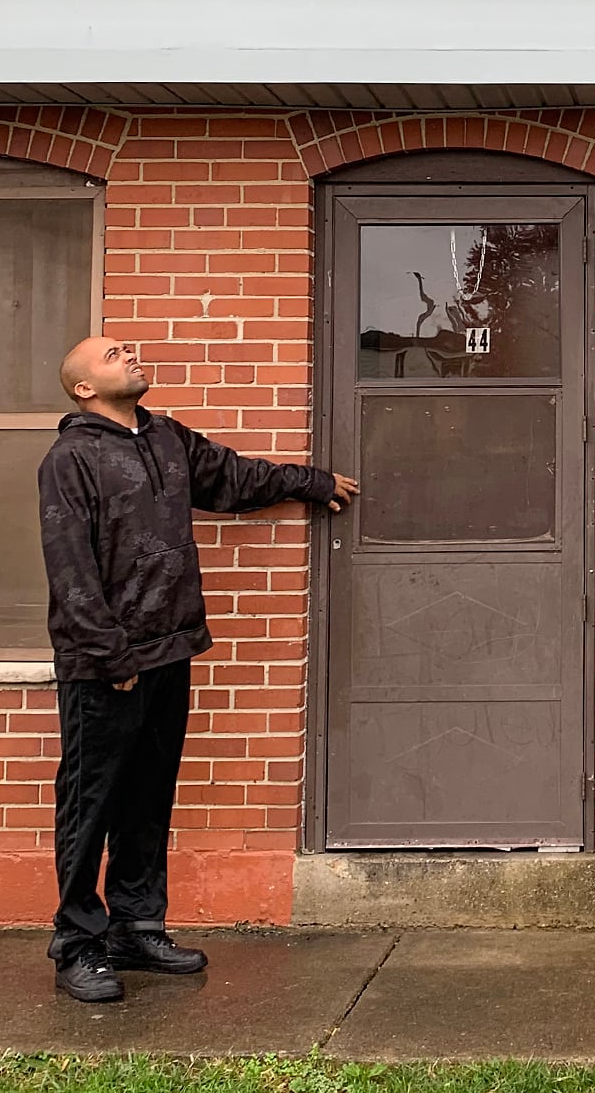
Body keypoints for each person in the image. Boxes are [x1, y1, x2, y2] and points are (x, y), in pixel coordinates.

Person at [38, 337, 357, 1003]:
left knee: (148, 797)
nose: (126, 350)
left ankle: (136, 925)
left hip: (170, 650)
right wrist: (111, 657)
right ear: (82, 388)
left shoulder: (167, 438)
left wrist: (314, 481)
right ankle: (76, 942)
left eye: (125, 345)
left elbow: (236, 479)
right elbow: (69, 569)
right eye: (107, 352)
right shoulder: (71, 458)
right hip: (104, 666)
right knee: (90, 801)